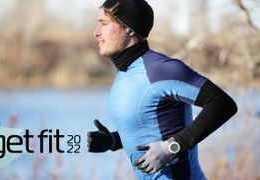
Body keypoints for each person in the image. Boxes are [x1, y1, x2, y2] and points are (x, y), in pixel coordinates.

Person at [87, 0, 238, 179]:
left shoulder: (160, 69)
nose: (96, 32)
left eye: (103, 23)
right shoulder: (125, 73)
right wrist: (113, 140)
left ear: (129, 28)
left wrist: (172, 147)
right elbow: (150, 130)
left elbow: (222, 103)